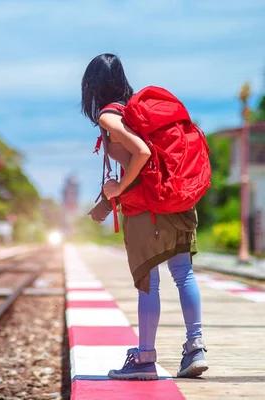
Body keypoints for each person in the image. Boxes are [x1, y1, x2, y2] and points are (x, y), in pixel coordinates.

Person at [80, 54, 208, 380]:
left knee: (148, 284)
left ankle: (145, 359)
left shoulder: (110, 116)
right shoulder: (138, 110)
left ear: (91, 86)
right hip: (176, 199)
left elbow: (142, 152)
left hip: (147, 210)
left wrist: (117, 186)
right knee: (184, 275)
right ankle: (195, 348)